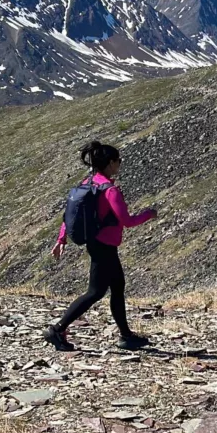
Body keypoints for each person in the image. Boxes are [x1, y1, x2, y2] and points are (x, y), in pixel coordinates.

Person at [45, 140, 157, 352]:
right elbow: (128, 221)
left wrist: (61, 239)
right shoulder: (110, 190)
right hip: (104, 246)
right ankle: (57, 329)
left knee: (117, 286)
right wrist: (150, 214)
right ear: (110, 163)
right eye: (118, 161)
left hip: (98, 244)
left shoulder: (88, 183)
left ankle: (126, 336)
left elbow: (69, 215)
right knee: (95, 292)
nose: (120, 164)